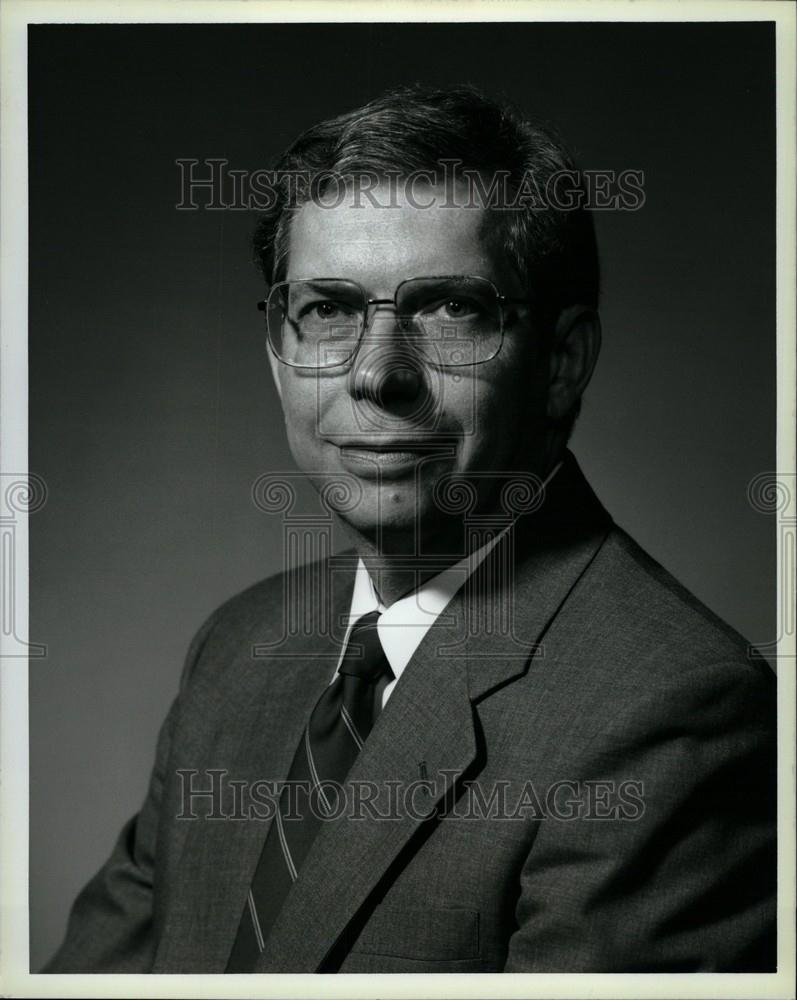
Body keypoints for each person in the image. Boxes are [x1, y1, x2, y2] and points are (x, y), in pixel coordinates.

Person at [43, 85, 776, 974]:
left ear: (561, 361)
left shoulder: (672, 716)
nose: (376, 375)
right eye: (330, 310)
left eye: (447, 309)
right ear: (278, 356)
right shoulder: (239, 649)